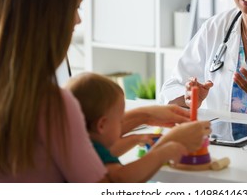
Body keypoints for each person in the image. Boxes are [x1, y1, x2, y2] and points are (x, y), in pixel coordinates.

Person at [0, 0, 210, 183]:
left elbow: (80, 141)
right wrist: (173, 146)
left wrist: (143, 115)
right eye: (74, 7)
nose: (78, 19)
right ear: (48, 17)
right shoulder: (53, 105)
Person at [65, 72, 193, 182]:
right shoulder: (95, 151)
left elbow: (113, 151)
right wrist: (163, 152)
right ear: (101, 125)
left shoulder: (81, 144)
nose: (123, 123)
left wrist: (135, 139)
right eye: (120, 120)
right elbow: (122, 178)